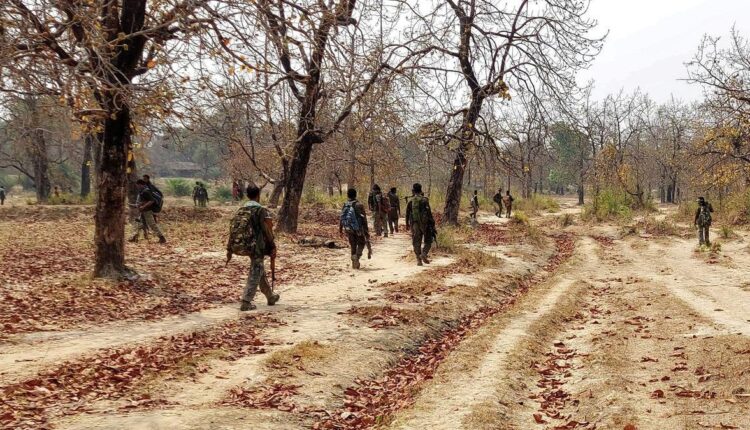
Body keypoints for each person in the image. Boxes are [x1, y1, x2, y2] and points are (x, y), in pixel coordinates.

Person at [238, 185, 280, 311]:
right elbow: (266, 230)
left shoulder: (242, 208)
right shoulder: (260, 210)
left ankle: (270, 296)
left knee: (259, 267)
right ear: (258, 195)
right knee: (256, 270)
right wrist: (272, 246)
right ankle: (246, 301)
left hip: (245, 244)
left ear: (247, 195)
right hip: (257, 246)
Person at [405, 183, 436, 266]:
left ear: (413, 190)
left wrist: (407, 224)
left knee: (416, 242)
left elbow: (407, 214)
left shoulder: (410, 201)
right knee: (428, 240)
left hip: (414, 224)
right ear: (421, 190)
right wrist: (432, 223)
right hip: (425, 224)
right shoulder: (424, 200)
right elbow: (429, 213)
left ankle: (418, 260)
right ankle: (424, 253)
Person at [339, 188, 371, 269]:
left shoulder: (345, 204)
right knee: (361, 243)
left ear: (348, 195)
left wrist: (340, 229)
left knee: (353, 245)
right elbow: (364, 219)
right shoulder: (359, 205)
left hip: (348, 229)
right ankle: (357, 256)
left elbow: (341, 217)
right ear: (355, 195)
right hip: (358, 229)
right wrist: (366, 232)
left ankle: (354, 261)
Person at [134, 179, 166, 244]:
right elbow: (145, 200)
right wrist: (140, 204)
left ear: (140, 184)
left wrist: (143, 206)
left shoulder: (146, 191)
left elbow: (152, 201)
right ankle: (134, 237)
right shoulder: (143, 191)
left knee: (152, 224)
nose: (137, 186)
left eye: (137, 185)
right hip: (143, 211)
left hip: (147, 211)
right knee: (139, 224)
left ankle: (162, 238)